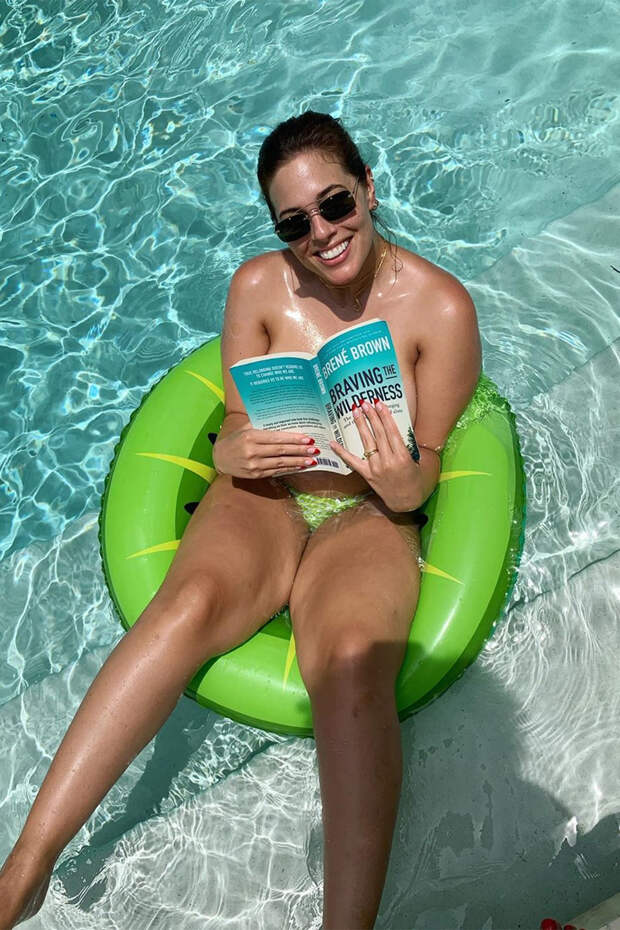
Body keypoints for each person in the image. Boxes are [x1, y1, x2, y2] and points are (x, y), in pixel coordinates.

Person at [0, 111, 481, 930]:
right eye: (293, 223)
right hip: (270, 494)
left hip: (366, 512)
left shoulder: (440, 309)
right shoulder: (259, 289)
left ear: (368, 187)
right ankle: (25, 868)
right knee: (187, 605)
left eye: (335, 204)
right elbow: (230, 424)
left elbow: (426, 470)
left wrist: (403, 481)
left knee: (351, 665)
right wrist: (236, 450)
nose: (321, 234)